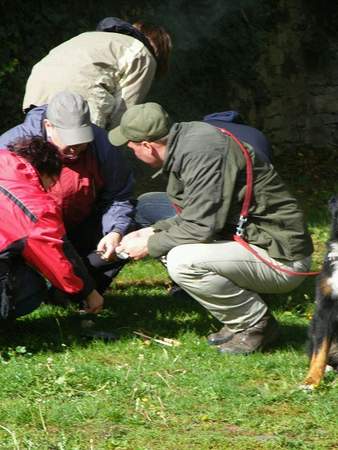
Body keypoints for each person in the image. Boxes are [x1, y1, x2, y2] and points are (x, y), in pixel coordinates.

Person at [108, 102, 314, 354]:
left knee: (182, 261)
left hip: (281, 256)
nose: (130, 151)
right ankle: (240, 320)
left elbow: (200, 226)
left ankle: (255, 324)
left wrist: (148, 244)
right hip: (255, 242)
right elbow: (201, 214)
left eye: (131, 146)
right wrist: (153, 231)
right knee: (166, 238)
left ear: (147, 146)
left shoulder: (202, 153)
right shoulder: (189, 141)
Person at [0, 91, 135, 298]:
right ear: (48, 126)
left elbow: (119, 196)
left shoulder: (102, 146)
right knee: (28, 289)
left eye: (82, 141)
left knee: (130, 231)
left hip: (79, 226)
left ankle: (72, 295)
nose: (76, 149)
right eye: (69, 141)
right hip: (23, 237)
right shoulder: (11, 146)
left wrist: (115, 231)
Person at [0, 137, 103, 322]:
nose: (49, 189)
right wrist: (88, 292)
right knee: (33, 286)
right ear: (46, 174)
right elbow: (57, 260)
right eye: (51, 184)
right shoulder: (33, 205)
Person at [22, 17, 172, 129]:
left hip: (37, 90)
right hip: (80, 96)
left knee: (37, 148)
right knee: (80, 154)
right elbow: (123, 111)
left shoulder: (92, 36)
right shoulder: (143, 54)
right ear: (159, 51)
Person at [135, 109, 273, 228]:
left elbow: (203, 218)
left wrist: (153, 239)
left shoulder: (203, 143)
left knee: (145, 205)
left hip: (237, 218)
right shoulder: (254, 134)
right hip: (258, 204)